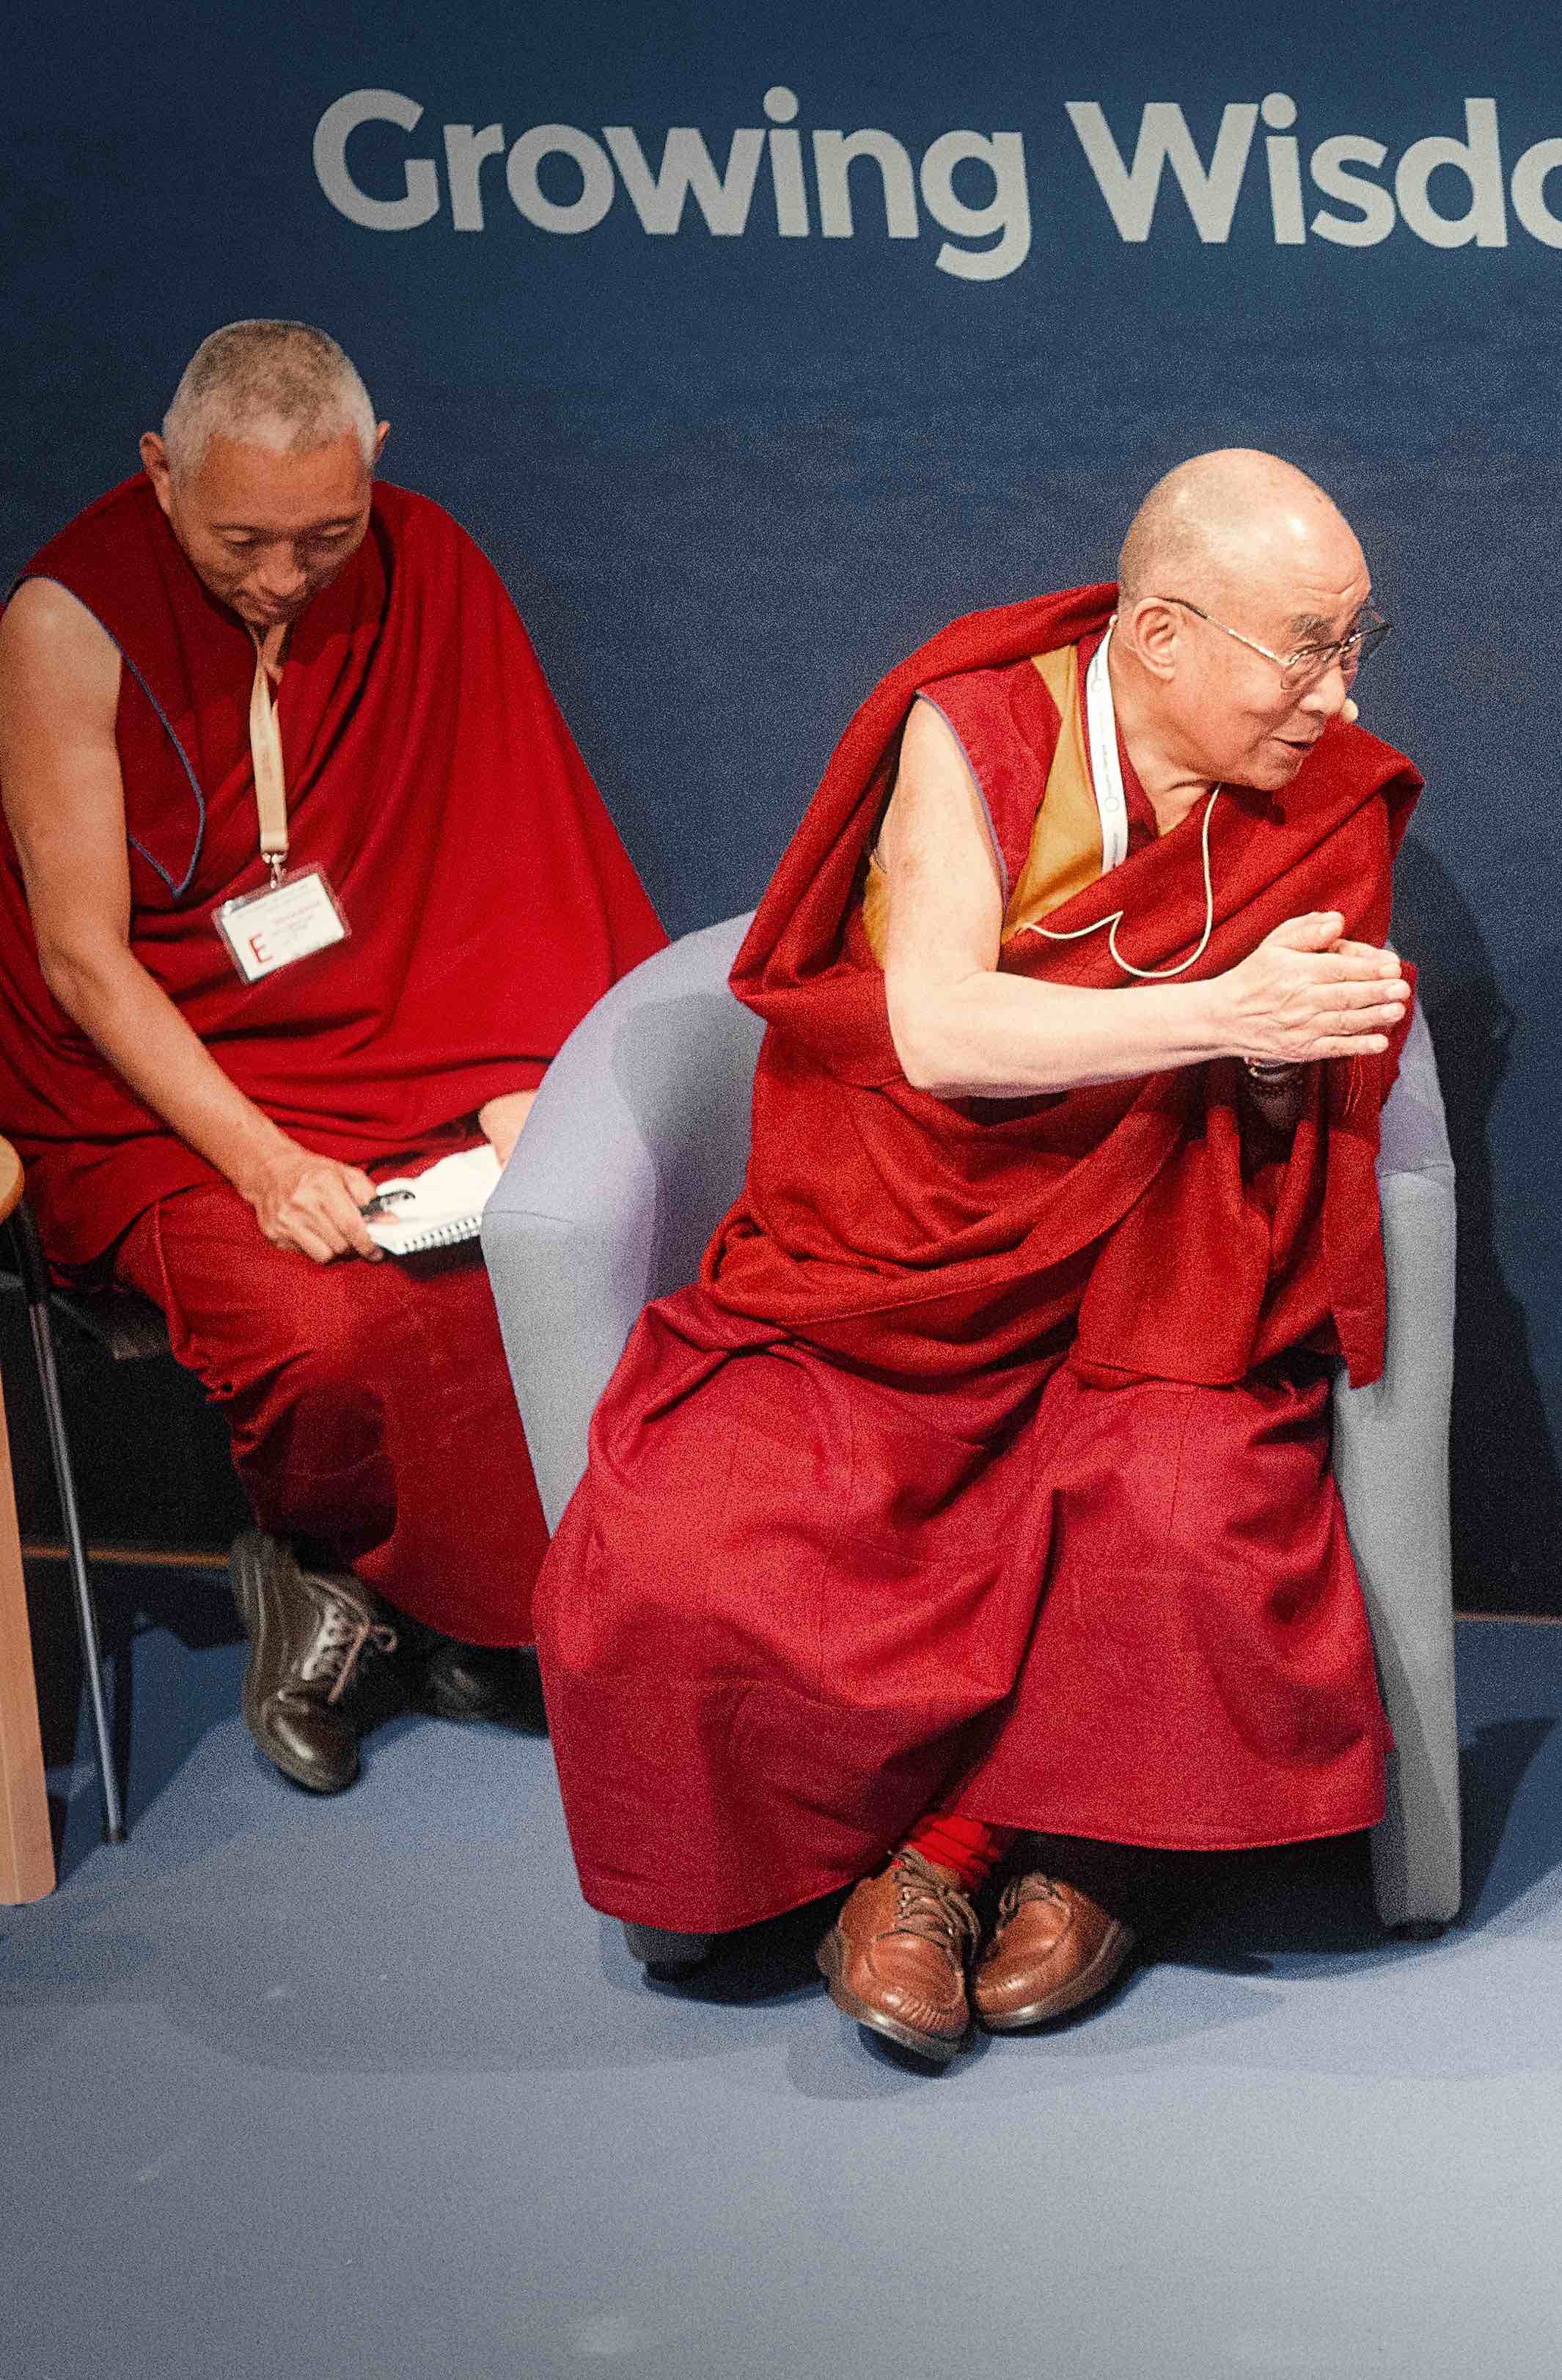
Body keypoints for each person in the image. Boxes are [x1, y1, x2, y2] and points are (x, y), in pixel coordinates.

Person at [534, 450, 1418, 2065]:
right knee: (688, 1548)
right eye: (1305, 645)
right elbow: (937, 1029)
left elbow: (1286, 1096)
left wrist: (1286, 1054)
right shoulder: (976, 727)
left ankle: (989, 1855)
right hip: (900, 1263)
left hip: (1151, 1263)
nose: (1338, 699)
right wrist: (1224, 1013)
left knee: (1177, 1514)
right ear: (1159, 634)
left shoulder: (1321, 797)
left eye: (1356, 644)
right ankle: (962, 1846)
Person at [0, 321, 667, 1793]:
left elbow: (513, 848)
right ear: (158, 471)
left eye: (326, 536)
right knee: (329, 1333)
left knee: (528, 1253)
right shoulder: (67, 620)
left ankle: (456, 1614)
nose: (283, 581)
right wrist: (262, 1160)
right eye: (241, 538)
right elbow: (80, 959)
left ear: (373, 468)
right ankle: (329, 1579)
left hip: (409, 1047)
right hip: (158, 1098)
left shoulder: (431, 567)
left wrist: (527, 1071)